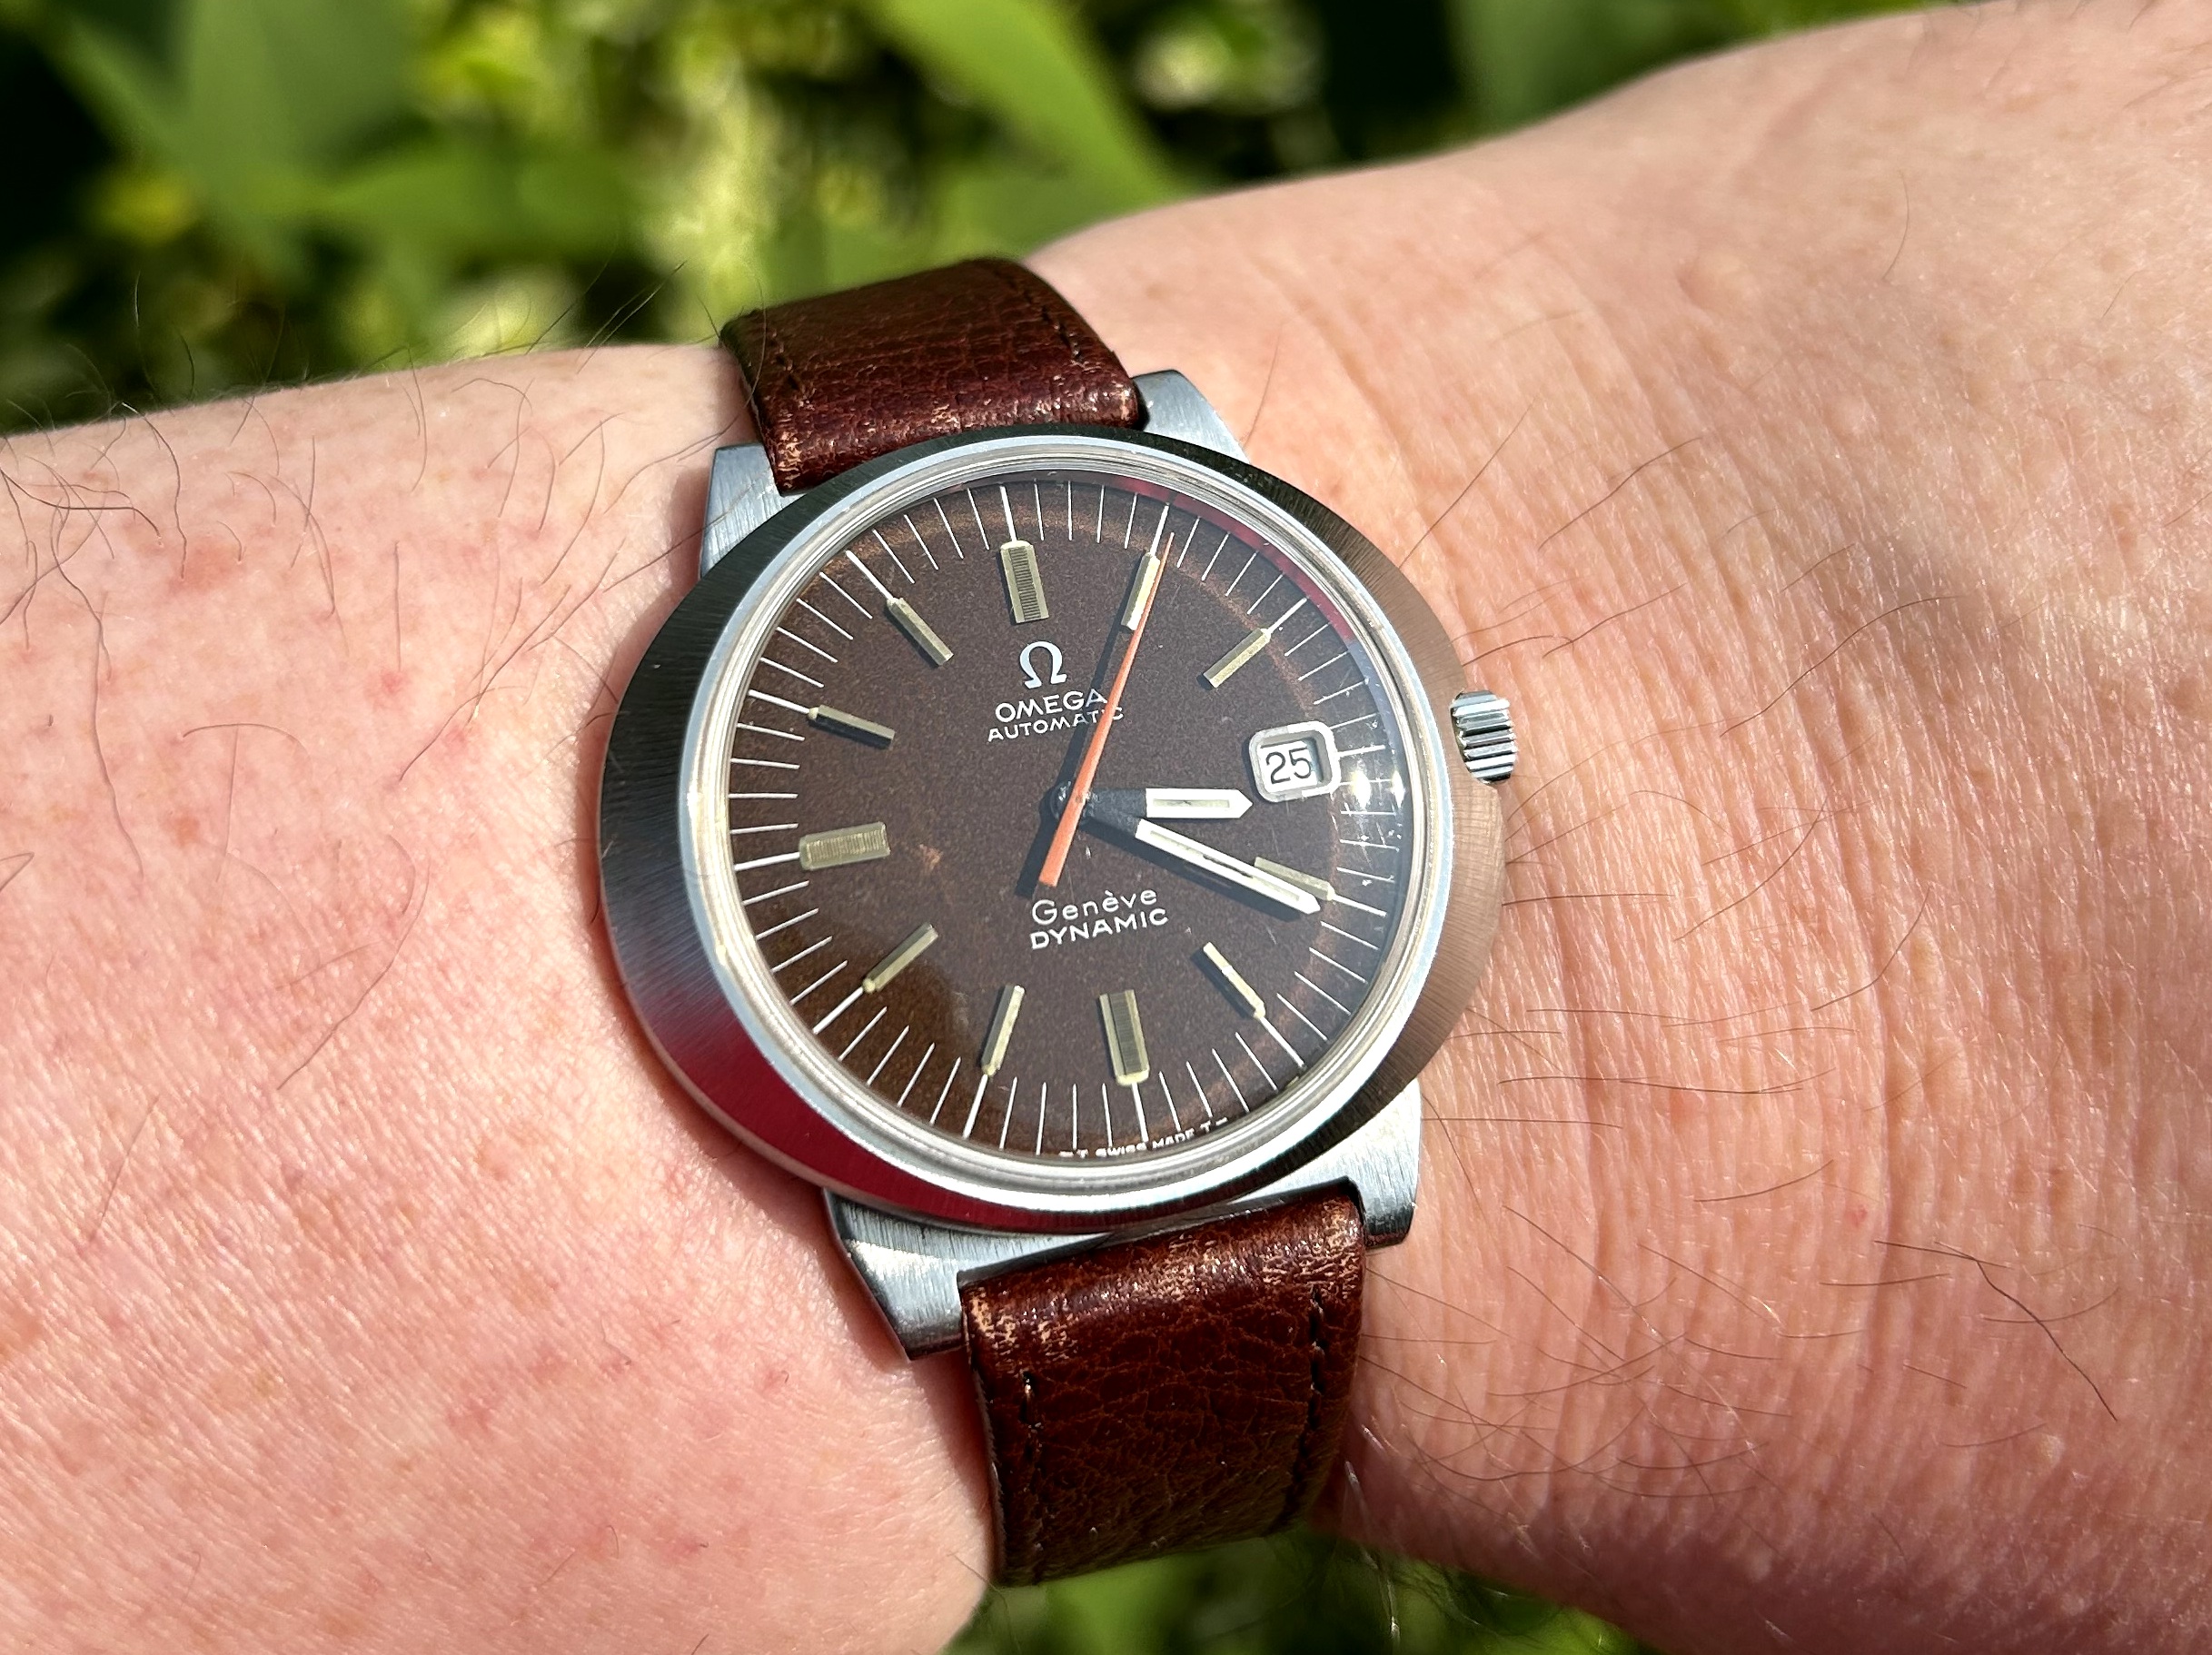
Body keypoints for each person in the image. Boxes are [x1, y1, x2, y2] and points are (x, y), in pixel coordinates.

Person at [3, 4, 2205, 1650]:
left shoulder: (1352, 963)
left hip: (1219, 1039)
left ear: (1457, 743)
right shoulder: (845, 557)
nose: (1068, 824)